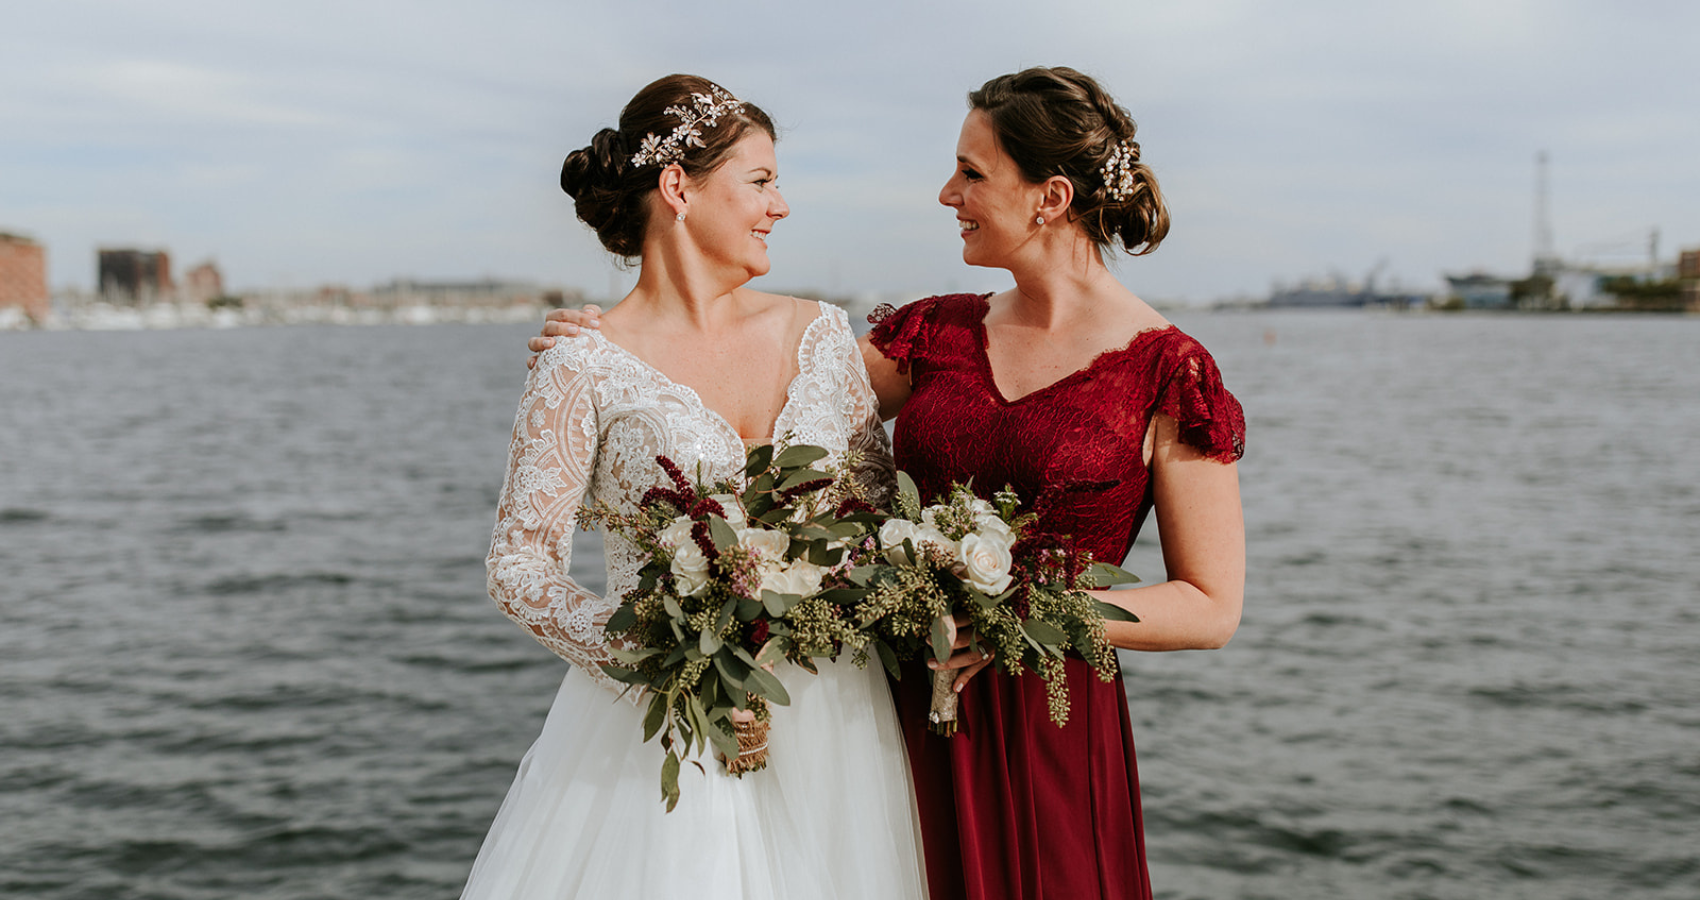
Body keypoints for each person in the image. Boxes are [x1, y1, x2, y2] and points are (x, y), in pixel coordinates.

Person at [533, 67, 1245, 900]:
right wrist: (617, 350)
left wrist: (1027, 609)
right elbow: (751, 417)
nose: (948, 193)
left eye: (972, 174)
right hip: (885, 710)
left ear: (1050, 197)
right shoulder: (937, 334)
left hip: (1048, 719)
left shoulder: (1170, 373)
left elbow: (1209, 605)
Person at [469, 74, 925, 900]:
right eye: (760, 181)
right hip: (667, 733)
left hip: (837, 724)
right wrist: (676, 670)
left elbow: (877, 517)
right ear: (678, 186)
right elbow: (519, 566)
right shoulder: (582, 362)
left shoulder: (823, 334)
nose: (780, 205)